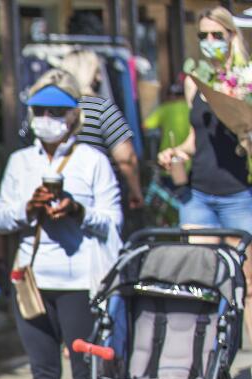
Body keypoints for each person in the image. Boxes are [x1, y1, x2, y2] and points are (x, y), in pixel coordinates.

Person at [0, 69, 122, 379]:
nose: (48, 118)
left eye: (57, 111)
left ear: (73, 117)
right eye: (40, 110)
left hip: (81, 282)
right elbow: (0, 216)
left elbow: (113, 218)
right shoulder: (20, 161)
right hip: (33, 279)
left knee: (87, 375)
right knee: (43, 375)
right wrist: (29, 209)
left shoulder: (92, 161)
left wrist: (78, 210)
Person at [157, 6, 252, 341]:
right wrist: (177, 152)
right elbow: (197, 138)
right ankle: (209, 358)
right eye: (203, 36)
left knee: (248, 281)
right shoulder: (195, 82)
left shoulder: (247, 78)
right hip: (199, 195)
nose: (210, 42)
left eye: (217, 35)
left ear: (231, 36)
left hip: (239, 193)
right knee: (201, 281)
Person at [59, 48, 145, 212]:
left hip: (59, 190)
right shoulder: (101, 108)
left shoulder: (52, 111)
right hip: (98, 194)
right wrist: (135, 190)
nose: (99, 77)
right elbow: (126, 157)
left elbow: (25, 136)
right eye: (97, 72)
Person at [143, 81, 191, 155]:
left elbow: (145, 126)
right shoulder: (190, 108)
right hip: (189, 152)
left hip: (168, 152)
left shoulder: (164, 109)